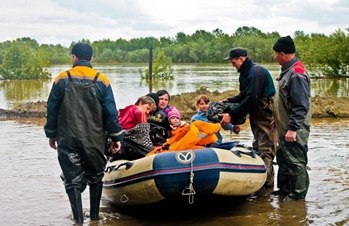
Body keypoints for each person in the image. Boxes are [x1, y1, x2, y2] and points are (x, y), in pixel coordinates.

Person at [44, 43, 124, 224]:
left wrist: (52, 134)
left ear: (73, 57)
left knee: (72, 179)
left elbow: (52, 110)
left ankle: (78, 220)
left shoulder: (61, 79)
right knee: (96, 176)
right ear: (91, 58)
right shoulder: (102, 80)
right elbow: (111, 112)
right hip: (95, 138)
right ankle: (95, 217)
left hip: (67, 137)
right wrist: (115, 137)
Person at [220, 47, 278, 189]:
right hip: (256, 115)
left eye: (234, 62)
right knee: (257, 148)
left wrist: (231, 115)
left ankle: (266, 191)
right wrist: (230, 100)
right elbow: (244, 95)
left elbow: (253, 99)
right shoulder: (244, 74)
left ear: (242, 58)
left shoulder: (256, 72)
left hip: (266, 114)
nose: (233, 65)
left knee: (266, 151)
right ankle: (260, 187)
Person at [271, 36, 312, 201]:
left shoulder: (297, 73)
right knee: (283, 159)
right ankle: (285, 190)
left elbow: (300, 105)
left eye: (275, 54)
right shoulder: (287, 70)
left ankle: (297, 196)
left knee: (296, 162)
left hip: (293, 128)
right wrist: (277, 118)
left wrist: (293, 128)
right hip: (284, 125)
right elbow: (284, 101)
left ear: (282, 53)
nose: (274, 57)